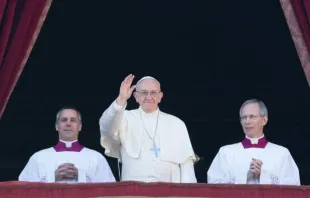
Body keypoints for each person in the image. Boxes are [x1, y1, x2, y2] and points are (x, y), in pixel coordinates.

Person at [99, 74, 197, 183]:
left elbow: (186, 163)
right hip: (134, 192)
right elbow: (106, 127)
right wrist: (121, 99)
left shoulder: (176, 123)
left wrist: (188, 193)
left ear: (160, 96)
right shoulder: (124, 118)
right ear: (136, 96)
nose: (149, 97)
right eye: (144, 92)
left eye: (153, 93)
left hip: (169, 193)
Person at [207, 99, 300, 185]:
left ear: (264, 120)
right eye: (244, 117)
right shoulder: (225, 152)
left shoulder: (282, 153)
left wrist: (263, 176)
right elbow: (214, 185)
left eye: (252, 117)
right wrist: (245, 178)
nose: (247, 121)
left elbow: (292, 187)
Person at [19, 107, 116, 183]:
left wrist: (81, 176)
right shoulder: (38, 157)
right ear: (57, 126)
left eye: (73, 120)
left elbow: (109, 190)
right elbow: (23, 189)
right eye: (64, 120)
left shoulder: (96, 157)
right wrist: (53, 177)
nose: (68, 124)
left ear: (80, 126)